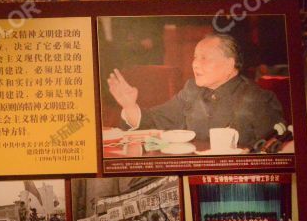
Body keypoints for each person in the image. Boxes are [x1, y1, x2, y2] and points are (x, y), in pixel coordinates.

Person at [107, 33, 285, 150]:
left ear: (230, 64)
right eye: (195, 57)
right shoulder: (191, 90)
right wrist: (130, 106)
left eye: (204, 58)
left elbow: (276, 147)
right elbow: (156, 119)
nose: (195, 64)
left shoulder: (258, 99)